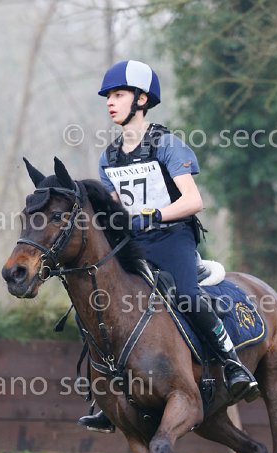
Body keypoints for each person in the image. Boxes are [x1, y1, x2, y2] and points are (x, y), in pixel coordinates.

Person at [78, 60, 258, 433]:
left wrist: (153, 215)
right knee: (99, 303)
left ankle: (232, 363)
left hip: (172, 236)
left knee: (187, 296)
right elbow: (116, 208)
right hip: (134, 242)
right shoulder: (109, 157)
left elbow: (194, 201)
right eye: (108, 96)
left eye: (118, 95)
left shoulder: (167, 145)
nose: (110, 102)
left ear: (141, 99)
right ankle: (107, 398)